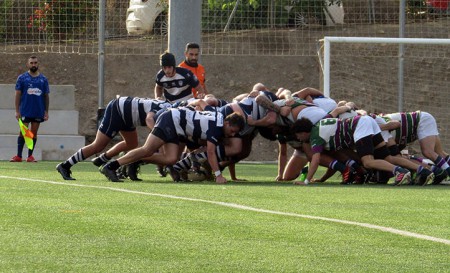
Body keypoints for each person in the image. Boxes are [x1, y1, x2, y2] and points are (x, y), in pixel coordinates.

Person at [99, 106, 245, 184]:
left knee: (170, 159)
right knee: (147, 149)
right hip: (171, 119)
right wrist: (218, 175)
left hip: (177, 125)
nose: (232, 135)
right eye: (232, 131)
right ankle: (111, 166)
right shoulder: (217, 126)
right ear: (226, 123)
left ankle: (133, 160)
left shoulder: (219, 118)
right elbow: (211, 152)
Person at [56, 96, 171, 180]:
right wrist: (157, 133)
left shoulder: (168, 107)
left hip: (127, 115)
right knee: (98, 145)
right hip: (117, 110)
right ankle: (65, 165)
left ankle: (103, 159)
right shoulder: (165, 109)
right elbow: (149, 119)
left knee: (132, 144)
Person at [10, 55, 49, 163]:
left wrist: (46, 111)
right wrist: (17, 110)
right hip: (25, 110)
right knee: (23, 132)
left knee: (33, 133)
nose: (33, 65)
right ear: (28, 64)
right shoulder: (22, 78)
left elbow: (46, 96)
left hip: (38, 110)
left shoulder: (43, 79)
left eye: (35, 62)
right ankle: (18, 156)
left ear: (38, 64)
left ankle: (30, 156)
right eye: (31, 63)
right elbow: (18, 94)